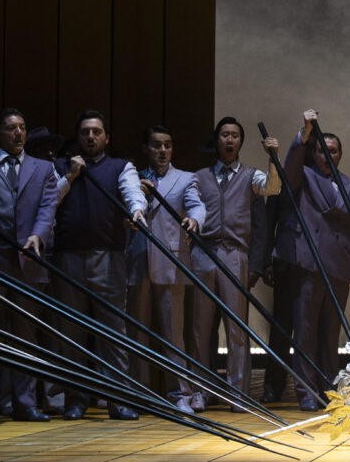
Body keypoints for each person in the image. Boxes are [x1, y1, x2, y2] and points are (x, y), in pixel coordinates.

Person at [50, 110, 148, 420]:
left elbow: (133, 194)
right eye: (85, 133)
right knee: (71, 331)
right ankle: (75, 400)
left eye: (96, 132)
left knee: (113, 332)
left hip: (109, 257)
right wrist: (70, 176)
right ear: (77, 138)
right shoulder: (60, 167)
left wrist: (137, 212)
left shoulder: (121, 167)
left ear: (106, 137)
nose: (91, 137)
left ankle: (117, 400)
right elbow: (47, 201)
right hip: (68, 258)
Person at [275, 112, 350, 411]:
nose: (326, 155)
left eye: (332, 150)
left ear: (340, 154)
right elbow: (288, 169)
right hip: (310, 264)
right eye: (320, 150)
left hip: (340, 269)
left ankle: (329, 388)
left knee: (331, 333)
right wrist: (303, 134)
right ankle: (305, 390)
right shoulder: (304, 177)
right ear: (313, 153)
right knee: (305, 331)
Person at [0, 111, 61, 421]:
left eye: (23, 127)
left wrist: (38, 235)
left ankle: (25, 402)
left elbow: (48, 209)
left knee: (26, 334)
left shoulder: (43, 167)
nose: (19, 133)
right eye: (11, 128)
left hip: (29, 258)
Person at [186, 117, 270, 409]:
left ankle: (238, 393)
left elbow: (273, 187)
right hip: (203, 253)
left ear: (241, 142)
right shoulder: (198, 177)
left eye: (235, 135)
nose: (230, 140)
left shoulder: (251, 176)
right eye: (225, 135)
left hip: (235, 254)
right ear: (217, 140)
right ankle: (200, 390)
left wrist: (273, 158)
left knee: (236, 327)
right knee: (200, 327)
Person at [137, 123, 205, 410]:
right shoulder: (134, 177)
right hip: (137, 262)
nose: (162, 150)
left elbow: (197, 205)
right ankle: (138, 393)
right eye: (156, 145)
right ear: (147, 149)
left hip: (171, 261)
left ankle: (180, 394)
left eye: (167, 145)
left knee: (173, 333)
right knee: (137, 332)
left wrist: (195, 220)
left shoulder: (186, 178)